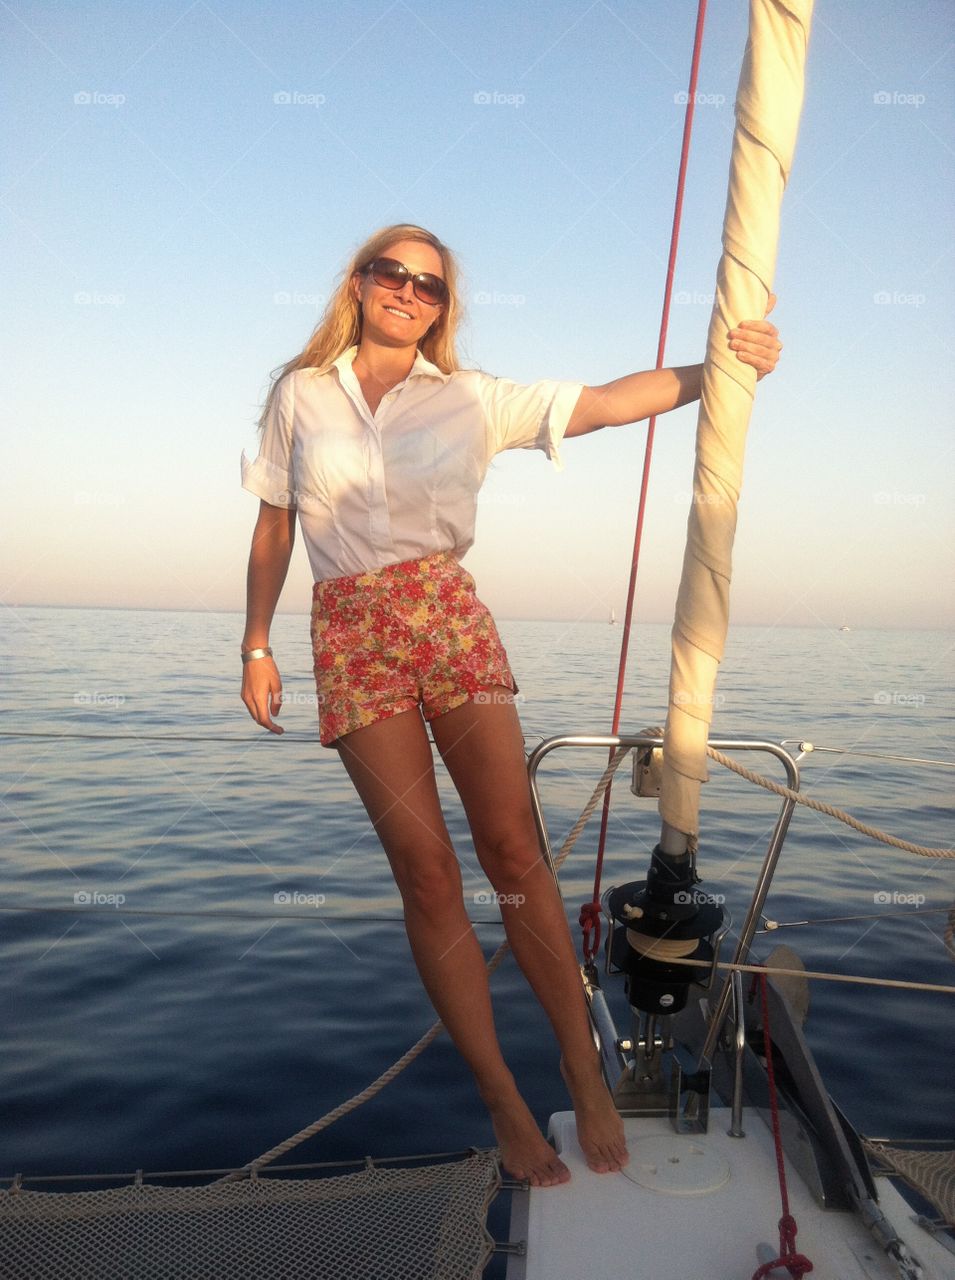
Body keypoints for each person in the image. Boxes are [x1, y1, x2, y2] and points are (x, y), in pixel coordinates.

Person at [240, 223, 781, 1188]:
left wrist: (723, 369)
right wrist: (254, 643)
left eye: (429, 285)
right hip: (350, 629)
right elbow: (274, 522)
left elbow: (610, 404)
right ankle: (499, 1093)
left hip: (444, 611)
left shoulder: (470, 398)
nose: (407, 291)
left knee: (512, 850)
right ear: (357, 283)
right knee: (425, 870)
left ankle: (579, 1057)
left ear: (443, 307)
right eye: (390, 274)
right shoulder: (299, 393)